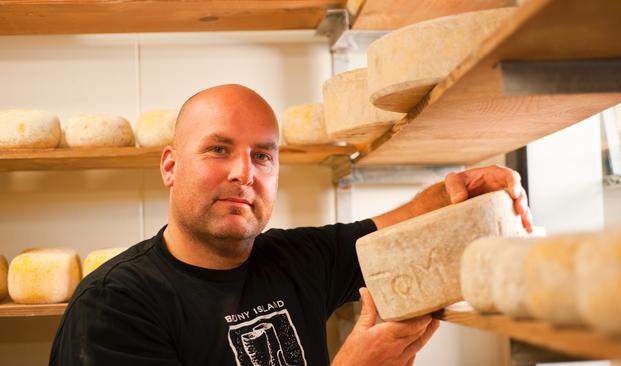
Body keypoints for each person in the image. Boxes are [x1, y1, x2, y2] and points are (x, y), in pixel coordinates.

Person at [49, 84, 532, 366]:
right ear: (171, 167)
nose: (245, 172)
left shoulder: (295, 259)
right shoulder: (114, 306)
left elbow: (401, 226)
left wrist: (460, 189)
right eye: (219, 149)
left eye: (263, 156)